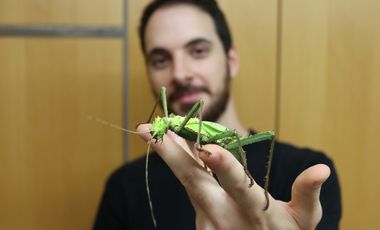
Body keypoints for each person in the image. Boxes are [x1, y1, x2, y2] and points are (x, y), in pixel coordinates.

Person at [94, 0, 342, 229]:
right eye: (160, 60)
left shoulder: (304, 172)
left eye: (199, 50)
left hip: (224, 138)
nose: (180, 74)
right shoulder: (124, 187)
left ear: (231, 60)